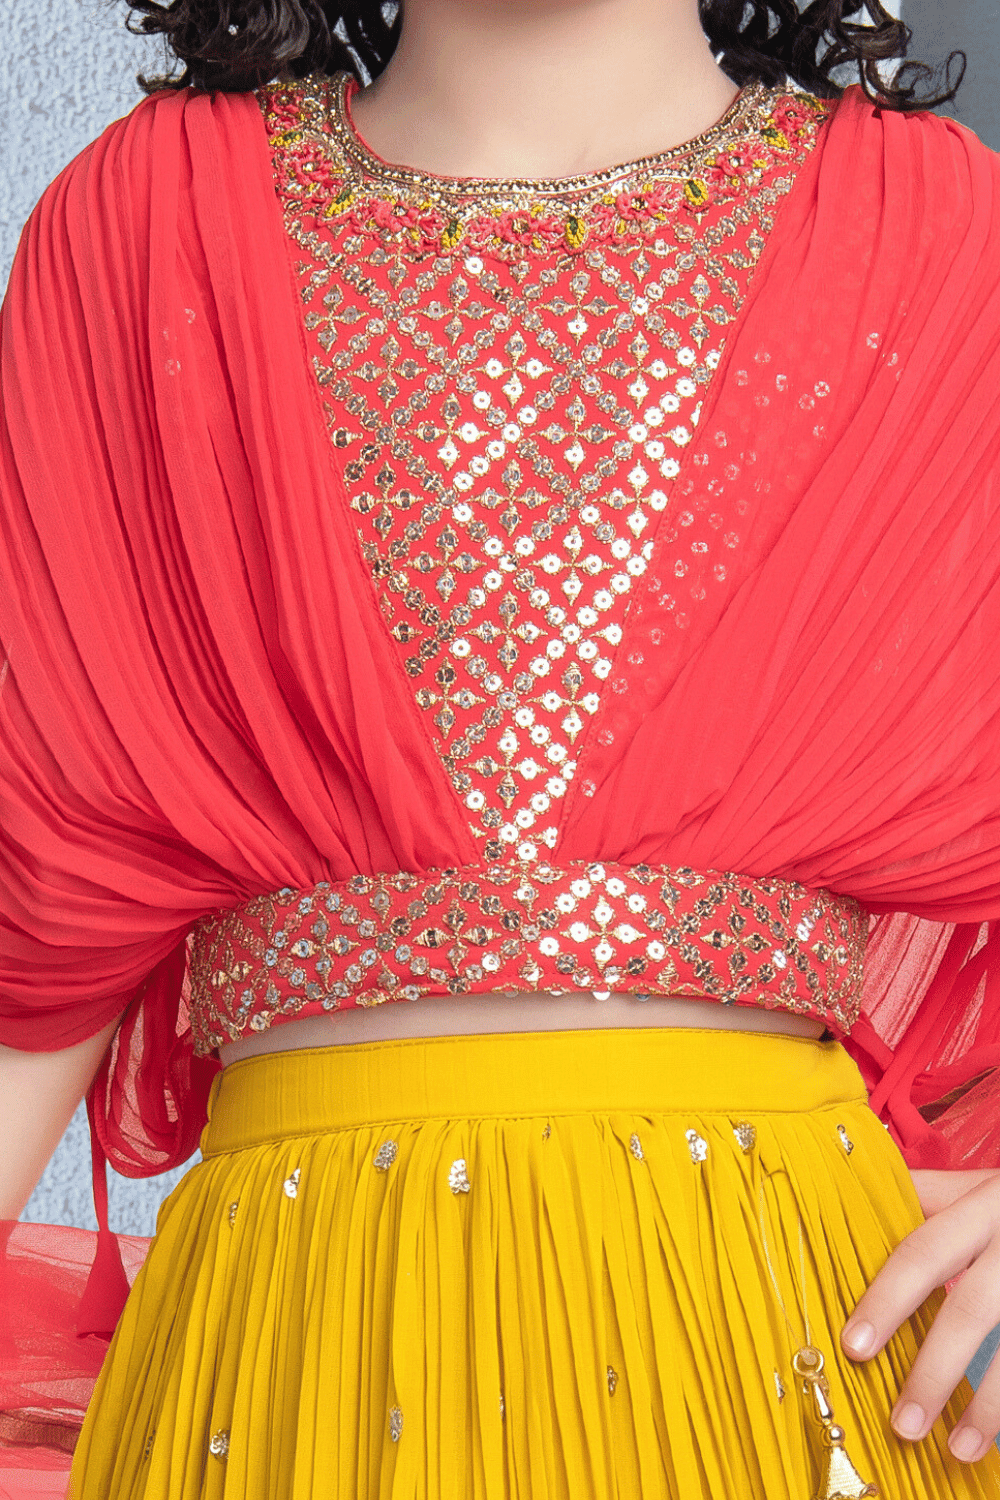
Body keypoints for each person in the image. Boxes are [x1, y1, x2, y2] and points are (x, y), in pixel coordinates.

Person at [3, 0, 1000, 1493]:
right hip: (296, 1354)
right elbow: (49, 897)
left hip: (786, 1339)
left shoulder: (945, 237)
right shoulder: (146, 219)